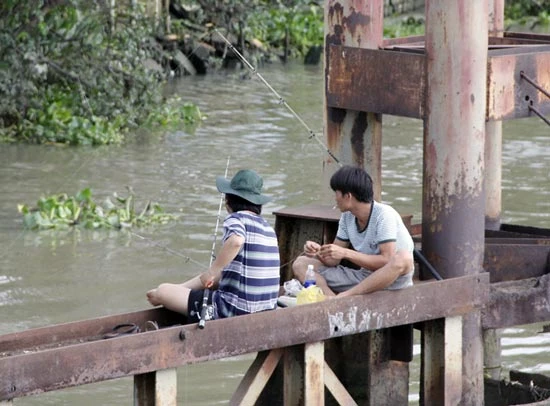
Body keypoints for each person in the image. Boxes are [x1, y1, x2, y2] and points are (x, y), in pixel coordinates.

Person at [147, 169, 281, 322]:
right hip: (267, 312)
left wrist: (212, 270)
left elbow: (236, 241)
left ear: (228, 201)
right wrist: (191, 284)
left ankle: (164, 294)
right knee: (216, 278)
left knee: (163, 290)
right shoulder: (268, 228)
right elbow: (220, 275)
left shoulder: (236, 218)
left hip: (232, 310)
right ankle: (181, 289)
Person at [292, 165, 414, 298]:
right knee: (301, 263)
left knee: (404, 257)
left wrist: (345, 253)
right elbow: (333, 261)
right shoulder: (347, 217)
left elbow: (387, 261)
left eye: (336, 193)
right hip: (363, 278)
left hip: (391, 281)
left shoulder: (384, 215)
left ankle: (347, 296)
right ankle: (331, 300)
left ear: (348, 196)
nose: (335, 198)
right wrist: (319, 252)